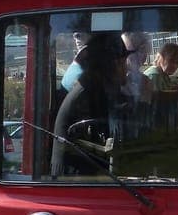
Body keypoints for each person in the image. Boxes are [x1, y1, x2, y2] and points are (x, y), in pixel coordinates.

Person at [51, 32, 134, 175]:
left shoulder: (95, 87)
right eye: (124, 61)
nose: (127, 68)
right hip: (75, 181)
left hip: (86, 173)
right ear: (115, 64)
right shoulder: (91, 92)